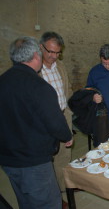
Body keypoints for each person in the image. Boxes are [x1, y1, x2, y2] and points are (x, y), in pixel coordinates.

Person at [0, 36, 72, 209]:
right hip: (33, 162)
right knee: (47, 202)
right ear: (36, 54)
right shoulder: (39, 87)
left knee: (25, 202)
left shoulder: (3, 81)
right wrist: (67, 135)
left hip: (8, 159)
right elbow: (54, 122)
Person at [39, 31, 73, 199]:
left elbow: (67, 89)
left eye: (57, 52)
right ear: (40, 47)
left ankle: (63, 191)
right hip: (44, 121)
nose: (53, 56)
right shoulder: (34, 70)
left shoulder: (60, 66)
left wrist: (69, 111)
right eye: (50, 51)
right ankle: (51, 194)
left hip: (63, 116)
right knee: (46, 158)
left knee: (64, 155)